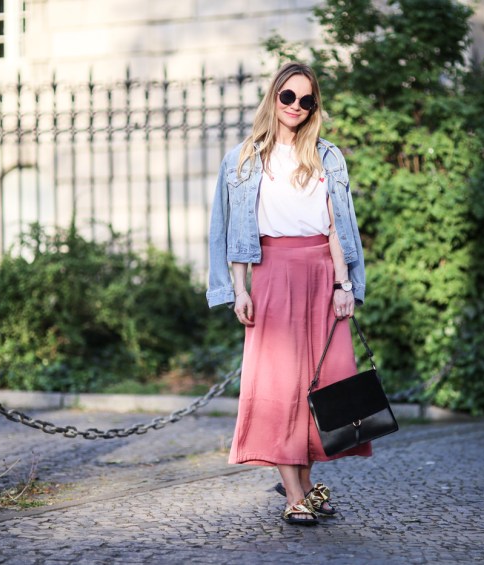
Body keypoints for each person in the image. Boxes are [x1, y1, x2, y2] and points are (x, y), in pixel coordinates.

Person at [206, 62, 370, 525]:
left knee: (325, 381)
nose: (296, 106)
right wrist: (238, 290)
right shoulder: (244, 159)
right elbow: (231, 230)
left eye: (306, 100)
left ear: (314, 106)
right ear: (274, 97)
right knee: (280, 384)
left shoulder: (327, 156)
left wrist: (344, 284)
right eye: (288, 97)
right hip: (273, 273)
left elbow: (338, 225)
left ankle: (306, 482)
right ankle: (294, 492)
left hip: (322, 273)